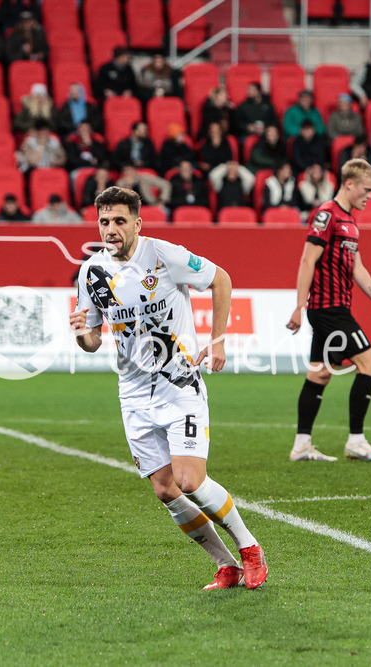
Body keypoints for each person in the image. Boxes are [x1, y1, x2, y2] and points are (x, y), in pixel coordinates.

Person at [70, 185, 268, 591]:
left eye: (120, 220)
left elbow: (221, 279)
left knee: (190, 480)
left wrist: (217, 340)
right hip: (132, 393)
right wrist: (79, 334)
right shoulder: (91, 272)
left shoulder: (163, 255)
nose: (111, 229)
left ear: (138, 224)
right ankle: (226, 566)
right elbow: (92, 340)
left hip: (178, 383)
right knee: (165, 489)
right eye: (104, 221)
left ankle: (250, 548)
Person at [286, 158, 371, 462]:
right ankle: (356, 441)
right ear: (349, 184)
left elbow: (357, 267)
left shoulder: (349, 221)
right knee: (370, 366)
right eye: (366, 189)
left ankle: (301, 445)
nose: (370, 196)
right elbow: (307, 260)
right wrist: (299, 307)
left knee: (320, 374)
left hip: (334, 308)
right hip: (329, 309)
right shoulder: (327, 215)